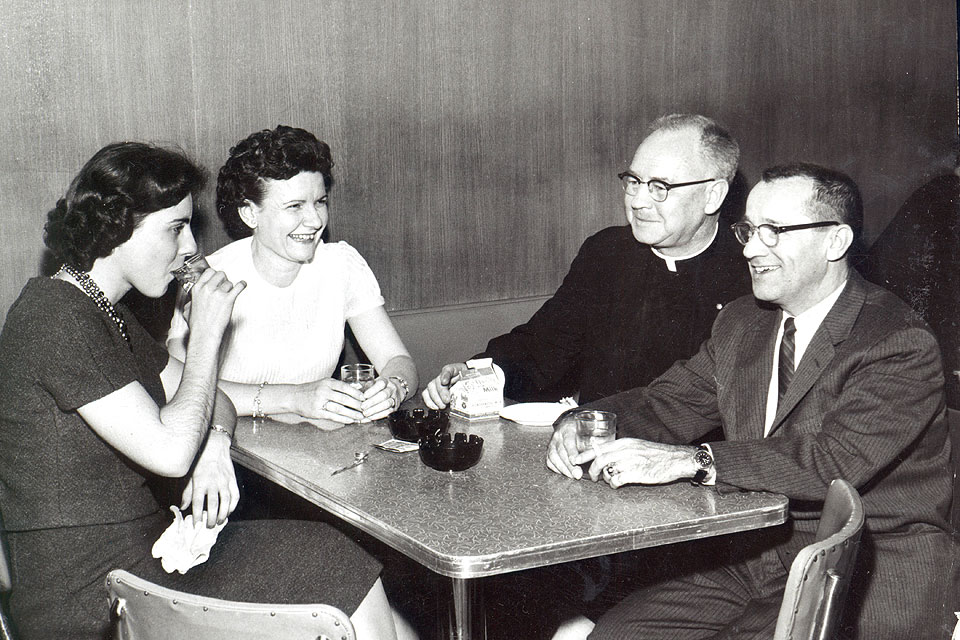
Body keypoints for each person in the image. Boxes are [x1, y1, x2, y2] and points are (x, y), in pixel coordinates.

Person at [0, 142, 400, 639]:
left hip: (144, 558)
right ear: (117, 227)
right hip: (86, 595)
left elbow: (221, 404)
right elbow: (170, 453)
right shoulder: (55, 318)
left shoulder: (105, 314)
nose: (191, 246)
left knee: (336, 557)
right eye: (175, 228)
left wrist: (214, 444)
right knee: (333, 561)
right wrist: (207, 333)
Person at [547, 163, 955, 639]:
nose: (751, 248)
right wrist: (585, 419)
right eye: (748, 230)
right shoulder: (743, 322)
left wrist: (690, 461)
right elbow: (666, 402)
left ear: (836, 242)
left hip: (866, 565)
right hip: (760, 554)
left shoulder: (897, 340)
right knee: (614, 634)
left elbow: (831, 462)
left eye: (773, 231)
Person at [422, 114, 749, 410]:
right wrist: (477, 372)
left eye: (659, 187)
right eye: (633, 182)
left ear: (713, 195)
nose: (637, 201)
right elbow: (544, 349)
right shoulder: (607, 252)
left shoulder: (750, 272)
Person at [168, 125, 417, 426]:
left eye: (320, 202)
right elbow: (179, 388)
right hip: (230, 449)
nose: (314, 220)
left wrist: (393, 387)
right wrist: (295, 398)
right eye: (294, 206)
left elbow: (398, 361)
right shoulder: (211, 279)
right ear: (249, 214)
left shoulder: (341, 264)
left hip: (316, 450)